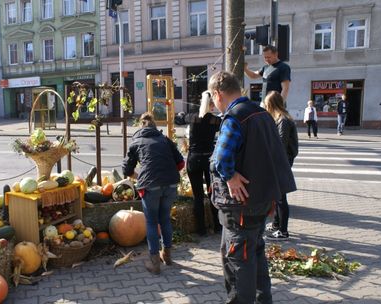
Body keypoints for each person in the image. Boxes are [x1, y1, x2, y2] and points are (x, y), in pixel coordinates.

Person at [208, 71, 296, 303]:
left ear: (217, 94)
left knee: (238, 265)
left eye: (212, 98)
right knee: (256, 257)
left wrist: (229, 176)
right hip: (261, 201)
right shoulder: (263, 114)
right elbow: (277, 158)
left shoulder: (234, 117)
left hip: (239, 207)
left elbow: (220, 159)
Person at [122, 112, 184, 275]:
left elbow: (126, 169)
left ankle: (155, 262)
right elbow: (181, 163)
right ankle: (168, 256)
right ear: (154, 125)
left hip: (150, 185)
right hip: (170, 183)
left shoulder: (136, 142)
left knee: (151, 222)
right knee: (165, 219)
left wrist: (139, 176)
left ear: (140, 126)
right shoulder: (165, 140)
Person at [183, 91, 222, 236]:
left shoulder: (192, 118)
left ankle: (201, 229)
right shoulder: (215, 120)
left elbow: (180, 118)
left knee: (198, 196)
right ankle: (217, 226)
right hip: (209, 159)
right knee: (213, 193)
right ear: (211, 105)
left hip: (194, 159)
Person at [264, 91, 299, 241]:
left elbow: (280, 144)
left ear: (271, 104)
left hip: (281, 162)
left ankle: (283, 231)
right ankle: (276, 225)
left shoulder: (283, 120)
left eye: (266, 105)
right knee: (277, 195)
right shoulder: (282, 118)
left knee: (280, 197)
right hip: (282, 161)